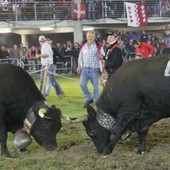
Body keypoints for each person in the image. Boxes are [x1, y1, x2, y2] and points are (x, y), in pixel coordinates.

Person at [77, 31, 103, 108]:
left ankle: (96, 103)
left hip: (94, 69)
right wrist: (79, 66)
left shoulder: (98, 46)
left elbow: (102, 57)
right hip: (84, 69)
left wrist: (102, 69)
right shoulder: (83, 46)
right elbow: (80, 57)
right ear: (86, 37)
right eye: (88, 36)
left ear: (94, 37)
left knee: (96, 87)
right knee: (82, 84)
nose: (90, 37)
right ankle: (89, 98)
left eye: (91, 36)